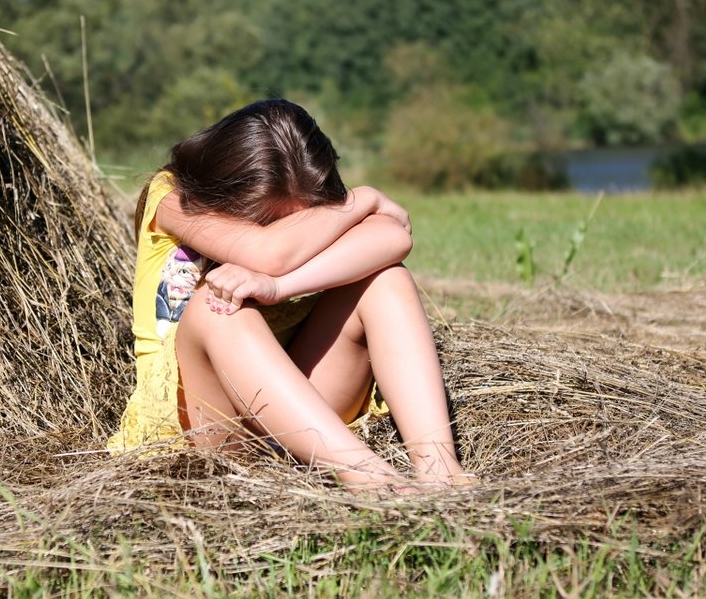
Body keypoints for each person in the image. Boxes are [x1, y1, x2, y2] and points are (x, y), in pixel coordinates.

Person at [110, 99, 470, 489]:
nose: (292, 235)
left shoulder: (317, 199)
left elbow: (393, 237)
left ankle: (438, 467)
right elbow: (268, 253)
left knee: (386, 279)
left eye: (301, 222)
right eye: (268, 222)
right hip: (206, 426)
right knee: (217, 307)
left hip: (300, 415)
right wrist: (364, 199)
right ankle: (369, 476)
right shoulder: (174, 196)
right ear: (226, 187)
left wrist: (280, 286)